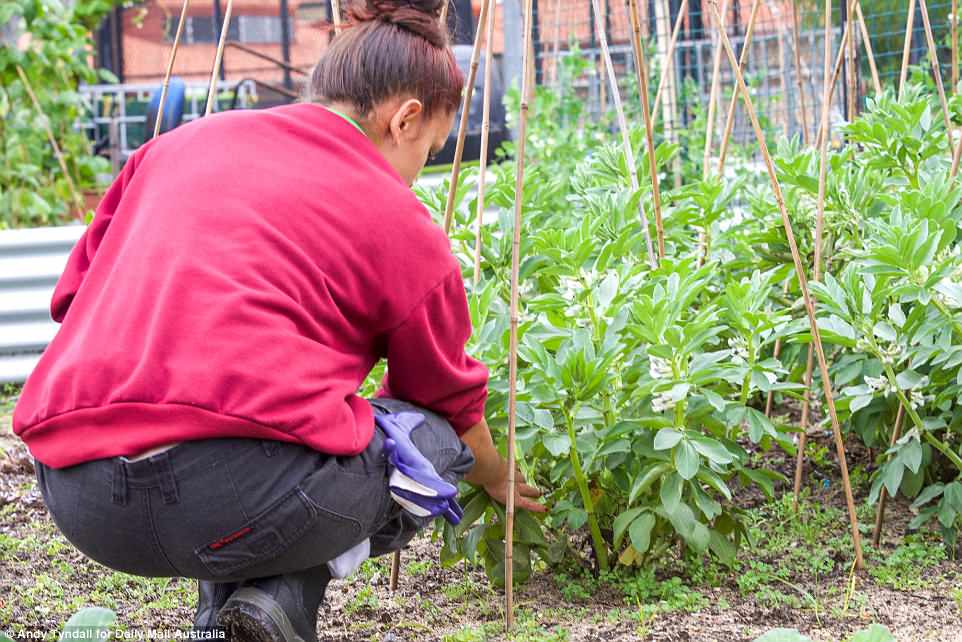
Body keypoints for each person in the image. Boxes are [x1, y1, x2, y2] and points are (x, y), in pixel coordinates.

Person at [12, 1, 546, 640]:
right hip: (237, 501)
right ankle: (281, 594)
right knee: (427, 443)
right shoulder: (396, 218)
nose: (417, 174)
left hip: (79, 495)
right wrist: (494, 474)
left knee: (244, 422)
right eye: (428, 151)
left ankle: (227, 625)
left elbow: (73, 301)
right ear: (404, 119)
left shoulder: (170, 150)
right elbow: (447, 401)